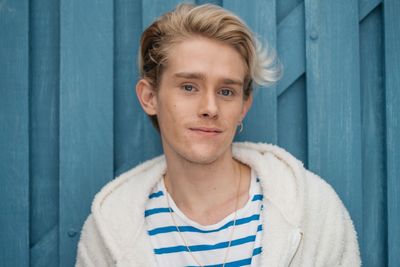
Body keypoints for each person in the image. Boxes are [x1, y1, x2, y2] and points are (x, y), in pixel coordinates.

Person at [76, 3, 360, 267]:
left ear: (243, 106)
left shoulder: (313, 211)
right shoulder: (109, 232)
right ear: (149, 97)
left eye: (226, 92)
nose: (210, 108)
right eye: (189, 87)